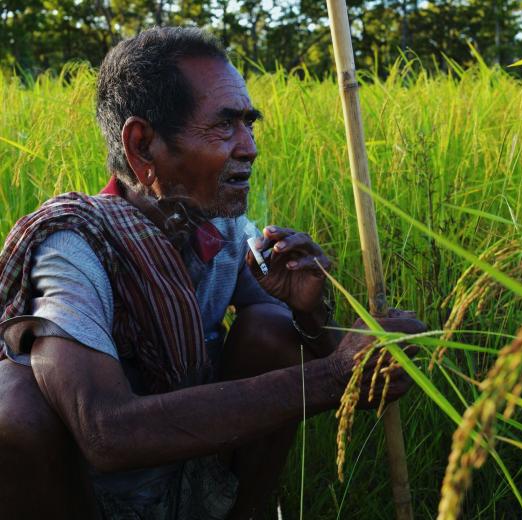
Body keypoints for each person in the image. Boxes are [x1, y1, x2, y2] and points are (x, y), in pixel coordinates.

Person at [0, 27, 426, 519]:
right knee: (14, 407)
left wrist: (312, 313)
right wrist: (332, 375)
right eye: (225, 127)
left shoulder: (222, 227)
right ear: (142, 145)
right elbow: (105, 432)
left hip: (193, 469)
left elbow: (301, 352)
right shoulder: (75, 246)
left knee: (270, 324)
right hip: (92, 495)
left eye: (249, 124)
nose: (249, 147)